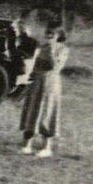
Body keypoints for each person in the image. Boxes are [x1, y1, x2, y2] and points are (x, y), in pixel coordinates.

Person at [19, 23, 69, 158]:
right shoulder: (42, 47)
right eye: (47, 33)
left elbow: (56, 67)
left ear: (58, 36)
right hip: (37, 83)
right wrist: (31, 75)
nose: (48, 36)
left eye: (52, 34)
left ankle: (46, 147)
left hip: (51, 85)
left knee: (47, 112)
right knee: (32, 111)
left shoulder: (63, 50)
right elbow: (36, 64)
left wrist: (52, 51)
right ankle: (27, 144)